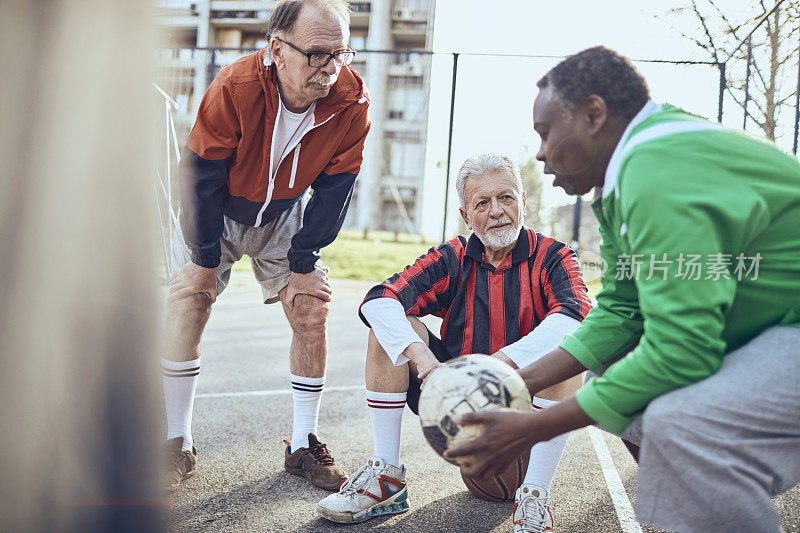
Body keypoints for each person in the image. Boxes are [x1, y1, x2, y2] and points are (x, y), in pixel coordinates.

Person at [444, 46, 800, 533]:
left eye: (546, 132)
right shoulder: (626, 176)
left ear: (594, 114)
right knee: (613, 373)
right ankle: (699, 505)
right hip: (777, 324)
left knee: (678, 420)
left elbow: (681, 352)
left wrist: (536, 425)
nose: (542, 152)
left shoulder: (656, 174)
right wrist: (513, 388)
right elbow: (621, 312)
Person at [316, 154, 592, 531]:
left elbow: (576, 316)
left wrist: (498, 367)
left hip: (528, 409)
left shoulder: (554, 256)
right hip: (459, 407)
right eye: (482, 203)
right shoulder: (454, 257)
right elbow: (380, 298)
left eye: (506, 198)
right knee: (388, 330)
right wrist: (422, 358)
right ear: (467, 215)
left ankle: (535, 496)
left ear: (523, 201)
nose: (497, 211)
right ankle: (387, 479)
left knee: (567, 349)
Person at [163, 0, 370, 492]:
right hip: (218, 211)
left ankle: (302, 443)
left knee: (310, 309)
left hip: (285, 214)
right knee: (190, 303)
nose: (331, 67)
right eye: (318, 54)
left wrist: (305, 260)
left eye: (340, 53)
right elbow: (201, 176)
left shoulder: (352, 101)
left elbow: (337, 188)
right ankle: (176, 441)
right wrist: (202, 259)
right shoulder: (235, 86)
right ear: (278, 50)